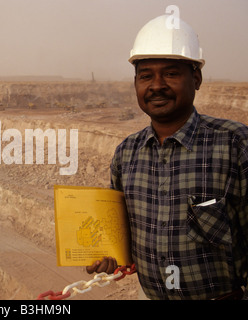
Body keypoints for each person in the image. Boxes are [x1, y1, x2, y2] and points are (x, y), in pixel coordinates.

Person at [87, 14, 248, 300]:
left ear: (196, 78)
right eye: (145, 75)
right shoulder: (126, 153)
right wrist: (107, 255)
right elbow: (119, 236)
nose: (156, 85)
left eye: (171, 73)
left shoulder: (236, 144)